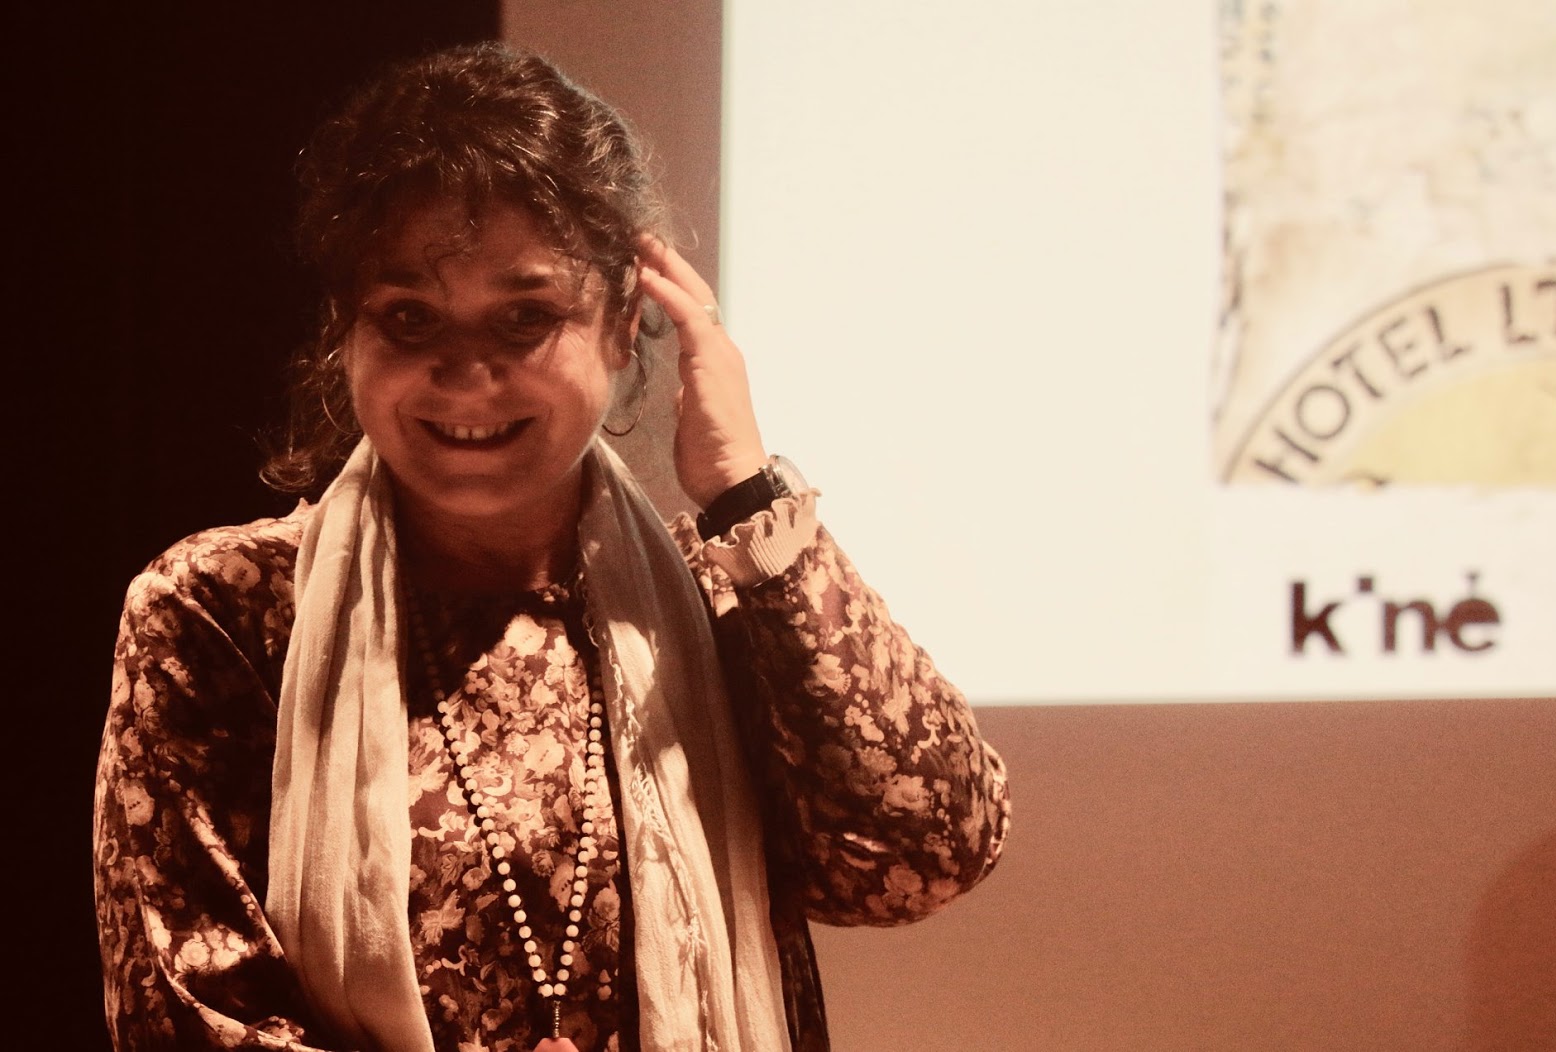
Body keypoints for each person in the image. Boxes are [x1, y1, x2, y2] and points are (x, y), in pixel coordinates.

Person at [93, 42, 1010, 1052]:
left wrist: (746, 490)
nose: (465, 371)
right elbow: (188, 1019)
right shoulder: (222, 609)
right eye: (409, 317)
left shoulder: (721, 598)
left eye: (525, 317)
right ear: (347, 333)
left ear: (624, 324)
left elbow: (921, 854)